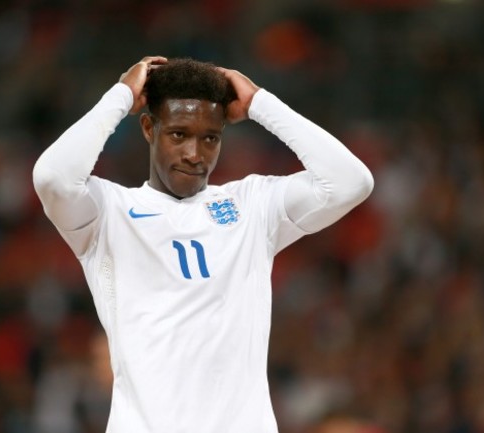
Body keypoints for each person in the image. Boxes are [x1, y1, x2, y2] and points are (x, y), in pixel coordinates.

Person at [32, 55, 374, 433]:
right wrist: (120, 96)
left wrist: (261, 104)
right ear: (148, 127)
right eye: (178, 134)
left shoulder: (253, 205)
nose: (195, 154)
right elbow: (53, 179)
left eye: (209, 138)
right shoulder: (108, 212)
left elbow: (351, 182)